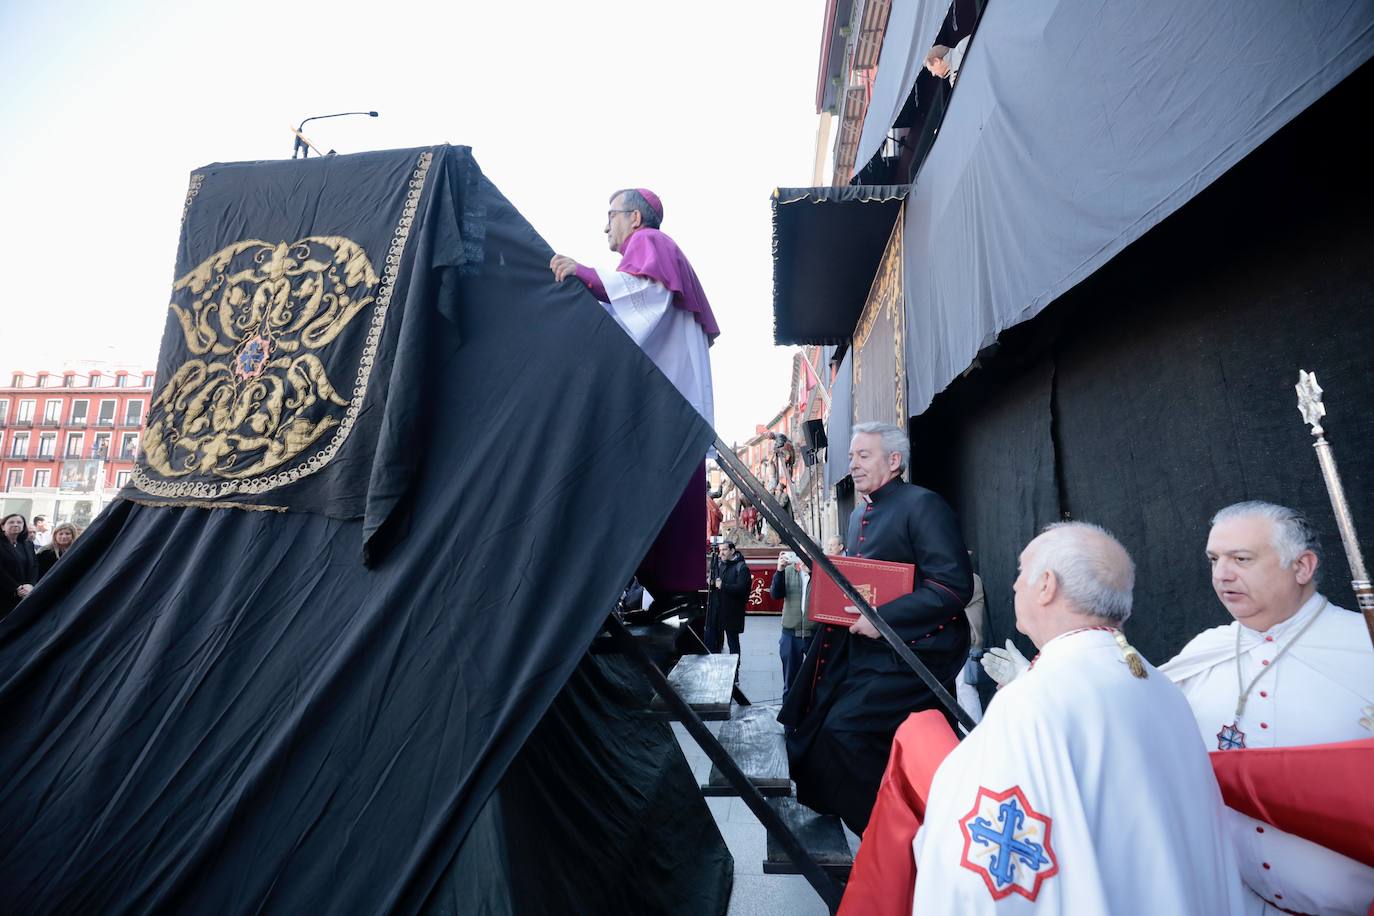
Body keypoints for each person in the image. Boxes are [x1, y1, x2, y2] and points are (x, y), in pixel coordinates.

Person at [912, 523, 1246, 913]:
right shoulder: (1160, 686)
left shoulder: (1032, 702)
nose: (1016, 586)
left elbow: (980, 872)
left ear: (1047, 585)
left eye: (1022, 574)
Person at [1160, 501, 1374, 914]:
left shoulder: (1363, 646)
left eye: (1241, 558)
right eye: (1214, 559)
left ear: (1302, 567)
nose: (1221, 574)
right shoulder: (1204, 651)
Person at [779, 421, 973, 834]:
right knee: (817, 729)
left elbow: (952, 587)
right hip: (865, 653)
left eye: (863, 455)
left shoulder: (923, 505)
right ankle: (889, 835)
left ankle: (896, 837)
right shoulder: (858, 515)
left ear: (895, 461)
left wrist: (882, 622)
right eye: (851, 456)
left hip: (916, 654)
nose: (853, 464)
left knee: (844, 731)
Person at [550, 188, 718, 601]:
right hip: (672, 389)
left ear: (635, 219)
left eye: (612, 215)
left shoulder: (651, 243)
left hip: (666, 394)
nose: (605, 225)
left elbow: (643, 297)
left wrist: (584, 274)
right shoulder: (652, 255)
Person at [770, 550, 813, 704]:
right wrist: (780, 570)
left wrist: (814, 572)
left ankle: (813, 723)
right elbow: (775, 594)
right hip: (791, 634)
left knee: (816, 681)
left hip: (814, 634)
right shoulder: (789, 570)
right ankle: (789, 725)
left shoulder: (823, 571)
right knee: (790, 683)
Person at [712, 540, 751, 656]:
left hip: (732, 611)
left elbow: (741, 589)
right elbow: (715, 581)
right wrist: (711, 582)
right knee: (715, 642)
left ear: (732, 551)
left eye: (724, 550)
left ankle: (735, 669)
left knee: (733, 643)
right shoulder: (719, 564)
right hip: (718, 610)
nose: (721, 553)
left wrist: (723, 586)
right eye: (720, 550)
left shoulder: (742, 567)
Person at [1, 513, 39, 617]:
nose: (15, 524)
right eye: (11, 522)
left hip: (26, 594)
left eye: (19, 522)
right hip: (4, 594)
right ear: (3, 526)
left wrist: (31, 585)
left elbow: (34, 566)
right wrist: (17, 588)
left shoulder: (28, 544)